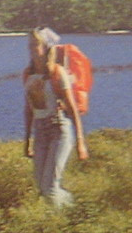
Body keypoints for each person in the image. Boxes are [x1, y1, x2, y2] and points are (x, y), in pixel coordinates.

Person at [22, 27, 88, 207]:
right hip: (40, 133)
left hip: (59, 130)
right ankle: (71, 209)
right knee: (42, 188)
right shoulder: (28, 74)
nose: (32, 48)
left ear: (46, 47)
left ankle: (75, 210)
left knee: (50, 188)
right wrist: (27, 141)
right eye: (30, 44)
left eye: (36, 44)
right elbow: (29, 110)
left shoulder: (57, 73)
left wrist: (81, 142)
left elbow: (73, 109)